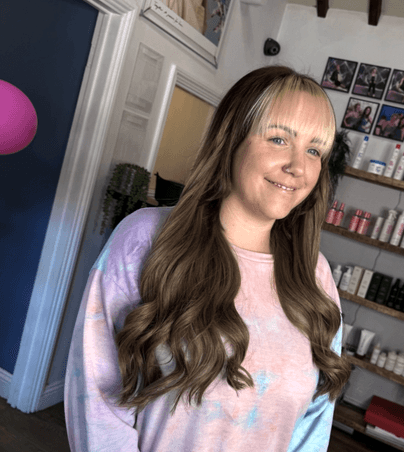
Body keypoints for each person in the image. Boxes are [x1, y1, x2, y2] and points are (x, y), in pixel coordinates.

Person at [64, 66, 351, 452]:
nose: (298, 167)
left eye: (315, 150)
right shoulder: (147, 239)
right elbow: (97, 394)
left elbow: (313, 423)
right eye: (279, 139)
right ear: (232, 139)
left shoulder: (314, 274)